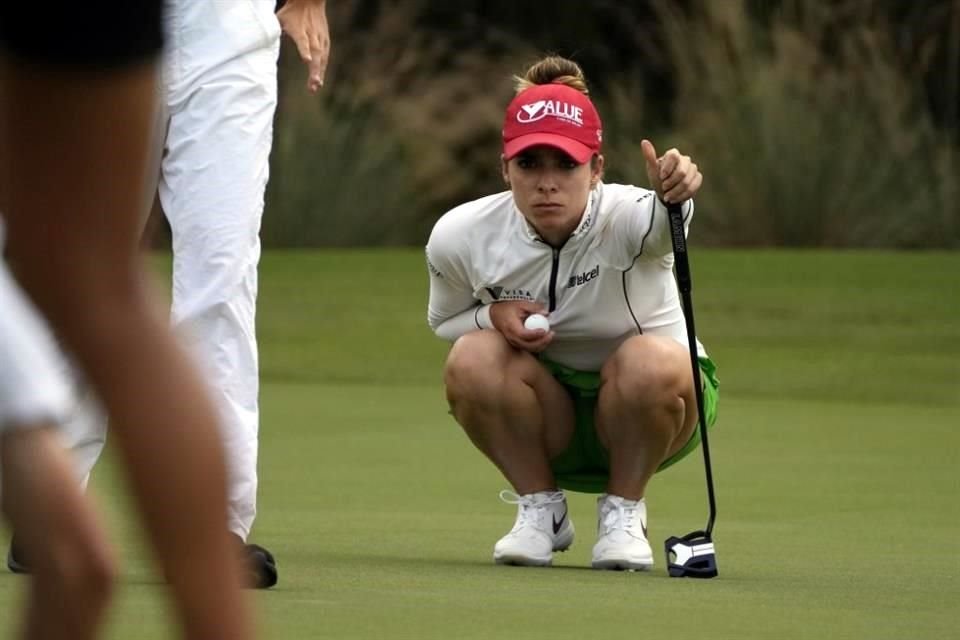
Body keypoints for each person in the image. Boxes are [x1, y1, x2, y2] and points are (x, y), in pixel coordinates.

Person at [6, 0, 332, 589]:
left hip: (228, 28)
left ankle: (218, 527)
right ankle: (51, 503)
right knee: (86, 266)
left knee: (223, 272)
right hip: (106, 27)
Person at [425, 55, 718, 571]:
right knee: (470, 358)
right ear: (504, 168)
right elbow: (444, 322)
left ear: (597, 169)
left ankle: (625, 513)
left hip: (657, 413)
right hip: (544, 415)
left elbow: (663, 223)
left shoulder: (626, 217)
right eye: (529, 164)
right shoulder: (460, 234)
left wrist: (676, 192)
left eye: (566, 164)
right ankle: (542, 511)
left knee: (649, 362)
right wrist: (492, 317)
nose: (547, 183)